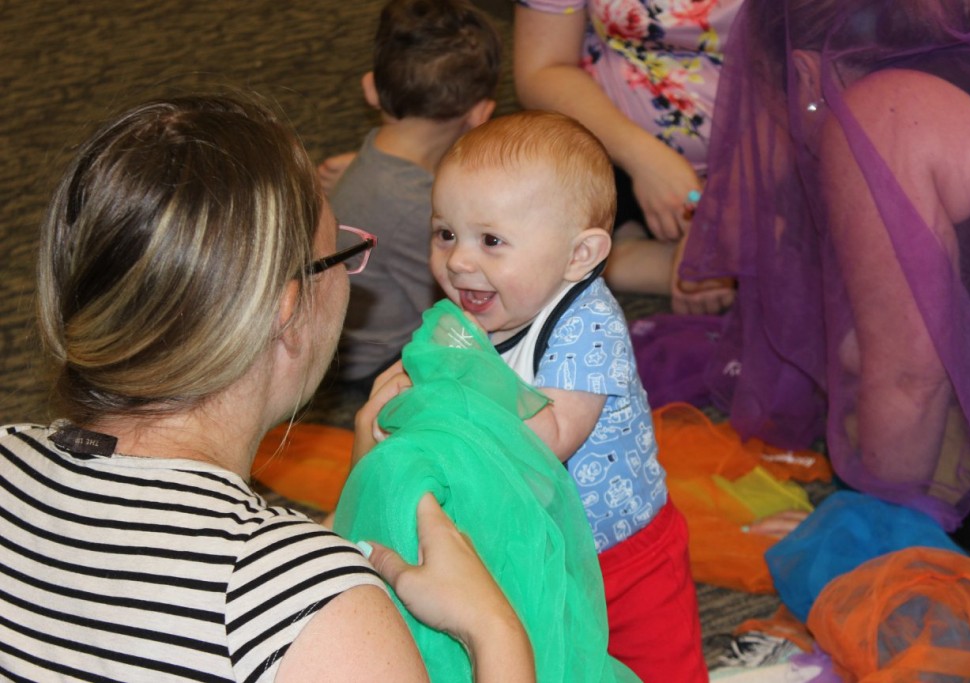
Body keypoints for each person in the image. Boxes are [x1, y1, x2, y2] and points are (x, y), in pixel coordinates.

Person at [0, 94, 534, 682]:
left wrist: (339, 520)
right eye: (341, 254)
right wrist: (493, 631)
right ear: (286, 312)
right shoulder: (319, 618)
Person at [680, 0, 970, 563]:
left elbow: (911, 379)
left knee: (857, 572)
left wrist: (870, 523)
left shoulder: (879, 114)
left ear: (805, 73)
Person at [429, 110, 707, 683]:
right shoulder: (473, 310)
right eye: (445, 233)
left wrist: (451, 412)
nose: (458, 260)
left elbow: (549, 438)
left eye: (491, 240)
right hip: (537, 544)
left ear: (578, 256)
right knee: (555, 658)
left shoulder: (588, 325)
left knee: (658, 666)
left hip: (623, 553)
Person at [512, 0, 741, 313]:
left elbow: (809, 87)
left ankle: (631, 260)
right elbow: (543, 69)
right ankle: (659, 262)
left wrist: (721, 211)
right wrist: (645, 159)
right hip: (608, 141)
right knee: (501, 208)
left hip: (769, 156)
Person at [320, 0, 501, 387]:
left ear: (371, 89)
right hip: (380, 358)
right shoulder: (420, 208)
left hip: (354, 334)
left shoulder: (383, 155)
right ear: (480, 113)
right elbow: (470, 296)